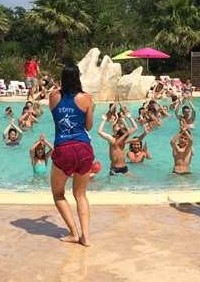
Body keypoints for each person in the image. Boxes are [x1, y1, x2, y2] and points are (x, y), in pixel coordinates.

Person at [49, 64, 94, 247]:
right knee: (81, 195)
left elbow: (55, 117)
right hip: (83, 148)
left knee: (58, 194)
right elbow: (89, 127)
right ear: (78, 77)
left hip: (63, 147)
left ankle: (74, 233)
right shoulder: (86, 98)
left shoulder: (54, 96)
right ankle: (86, 237)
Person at [98, 111, 137, 175]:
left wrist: (130, 117)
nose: (119, 126)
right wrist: (104, 120)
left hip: (124, 167)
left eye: (119, 126)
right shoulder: (111, 139)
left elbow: (135, 128)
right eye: (117, 126)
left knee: (136, 179)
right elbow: (99, 132)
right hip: (114, 168)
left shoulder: (124, 138)